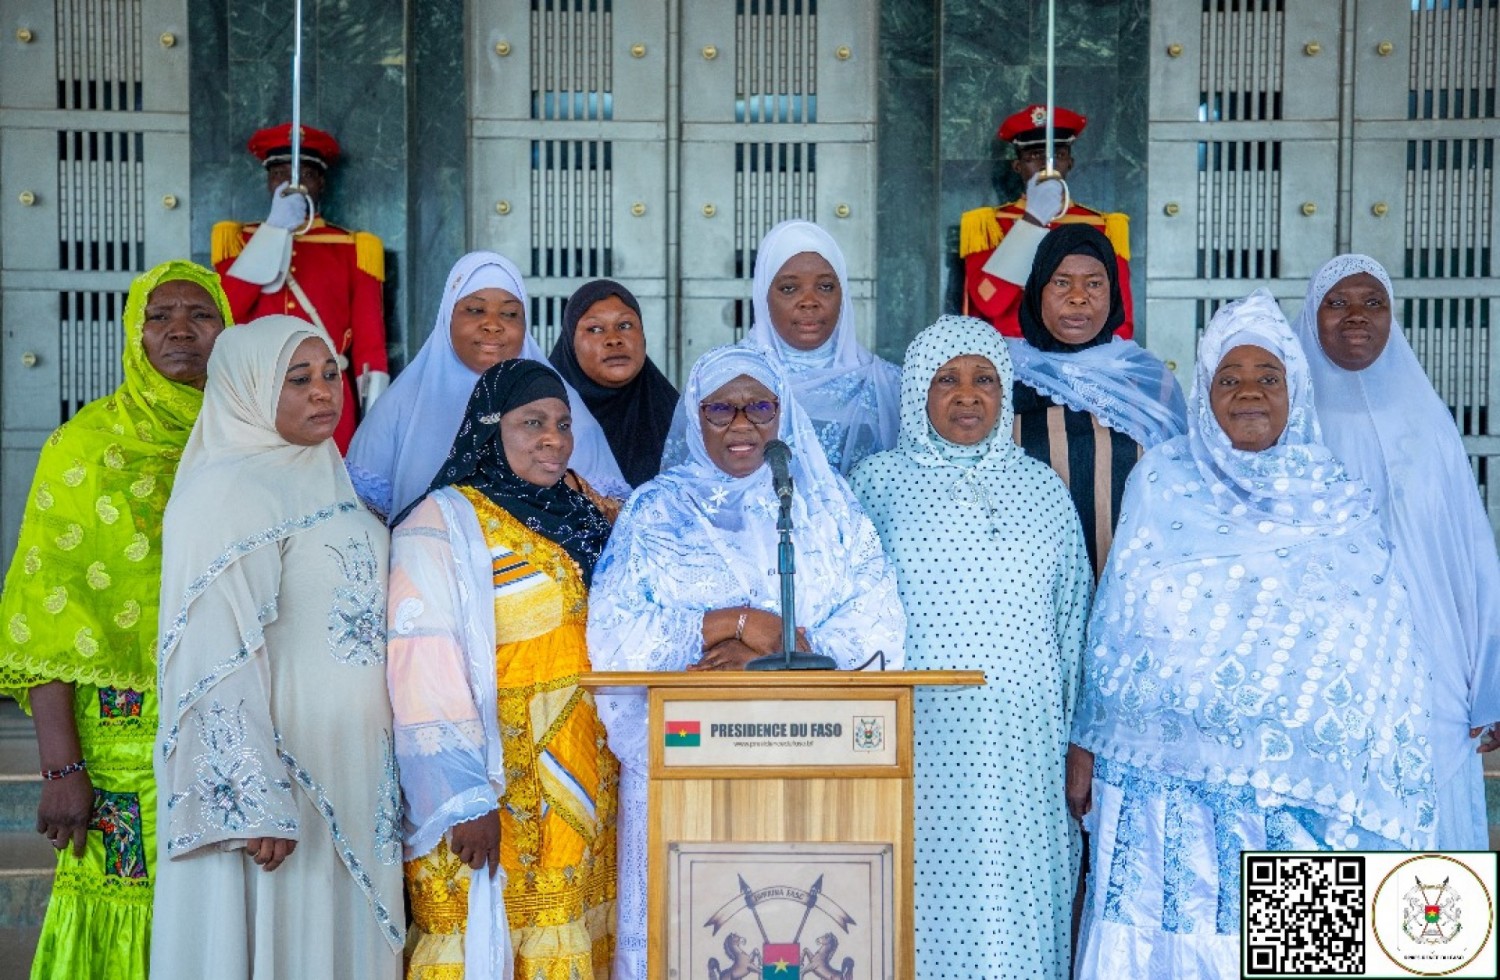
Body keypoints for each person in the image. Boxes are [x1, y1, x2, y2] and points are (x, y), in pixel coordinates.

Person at [1070, 290, 1436, 978]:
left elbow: (1381, 650)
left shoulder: (1336, 496)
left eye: (1268, 377)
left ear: (1295, 390)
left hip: (1298, 793)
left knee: (1300, 958)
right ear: (1203, 391)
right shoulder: (1162, 482)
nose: (1248, 393)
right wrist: (1089, 737)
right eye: (1228, 378)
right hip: (1165, 788)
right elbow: (1119, 627)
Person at [588, 344, 906, 979]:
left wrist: (769, 646)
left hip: (814, 765)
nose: (741, 425)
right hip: (688, 770)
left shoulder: (826, 508)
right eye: (720, 410)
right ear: (694, 418)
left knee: (802, 938)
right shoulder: (656, 511)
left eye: (759, 407)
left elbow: (879, 630)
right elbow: (615, 637)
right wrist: (732, 625)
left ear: (783, 414)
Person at [150, 316, 402, 979]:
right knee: (279, 938)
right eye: (299, 380)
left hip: (349, 769)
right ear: (249, 388)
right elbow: (213, 652)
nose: (324, 393)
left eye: (331, 375)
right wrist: (252, 798)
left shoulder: (324, 475)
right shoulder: (226, 492)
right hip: (284, 779)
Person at [0, 260, 231, 980]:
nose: (182, 330)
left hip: (230, 725)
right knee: (123, 906)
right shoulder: (85, 447)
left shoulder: (253, 435)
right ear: (134, 332)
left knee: (221, 909)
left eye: (201, 313)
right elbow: (46, 619)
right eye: (160, 315)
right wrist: (62, 765)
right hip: (120, 739)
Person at [850, 315, 1092, 980]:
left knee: (1010, 916)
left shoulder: (1043, 490)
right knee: (911, 906)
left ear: (1005, 392)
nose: (967, 395)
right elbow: (844, 617)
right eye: (946, 380)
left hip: (1023, 752)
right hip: (912, 743)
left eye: (984, 379)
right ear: (917, 394)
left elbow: (1076, 624)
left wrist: (1082, 744)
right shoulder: (877, 484)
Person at [387, 359, 619, 980]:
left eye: (564, 424)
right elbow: (420, 667)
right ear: (490, 431)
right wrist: (462, 797)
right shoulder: (440, 522)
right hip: (494, 786)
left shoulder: (579, 516)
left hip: (578, 779)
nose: (553, 438)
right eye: (531, 423)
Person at [1291, 254, 1500, 849]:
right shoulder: (1289, 423)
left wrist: (1491, 680)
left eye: (1373, 303)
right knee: (1318, 863)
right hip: (1315, 671)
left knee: (1426, 899)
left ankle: (1426, 945)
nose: (1356, 317)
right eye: (1338, 303)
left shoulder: (1428, 420)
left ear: (1392, 318)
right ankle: (1322, 947)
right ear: (1312, 316)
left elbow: (1471, 555)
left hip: (1433, 669)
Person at [346, 250, 628, 523]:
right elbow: (359, 520)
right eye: (475, 310)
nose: (492, 325)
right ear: (448, 317)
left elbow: (614, 518)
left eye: (509, 314)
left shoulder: (564, 410)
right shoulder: (399, 407)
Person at [1009, 224, 1186, 579]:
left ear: (1113, 292)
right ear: (1037, 290)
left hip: (1128, 582)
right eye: (1061, 282)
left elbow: (1178, 490)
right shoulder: (1001, 375)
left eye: (1094, 283)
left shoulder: (1149, 382)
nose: (1078, 297)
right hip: (1027, 588)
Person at [663, 220, 899, 475]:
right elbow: (692, 483)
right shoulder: (723, 379)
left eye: (825, 287)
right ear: (763, 296)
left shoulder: (888, 384)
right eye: (789, 288)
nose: (809, 302)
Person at [211, 122, 389, 452]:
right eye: (280, 174)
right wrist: (273, 230)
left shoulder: (353, 247)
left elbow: (370, 346)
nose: (292, 185)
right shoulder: (238, 241)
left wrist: (376, 421)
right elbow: (225, 313)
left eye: (303, 175)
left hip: (326, 397)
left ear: (320, 182)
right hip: (256, 394)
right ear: (268, 182)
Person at [959, 104, 1134, 339]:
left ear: (1070, 163)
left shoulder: (1104, 226)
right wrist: (1032, 221)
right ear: (1017, 166)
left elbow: (1120, 318)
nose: (1046, 166)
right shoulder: (988, 226)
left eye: (1057, 155)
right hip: (1012, 363)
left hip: (1080, 364)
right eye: (1034, 156)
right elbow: (988, 302)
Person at [548, 278, 679, 487]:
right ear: (570, 344)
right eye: (595, 329)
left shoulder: (678, 417)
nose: (613, 339)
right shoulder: (540, 414)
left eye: (625, 325)